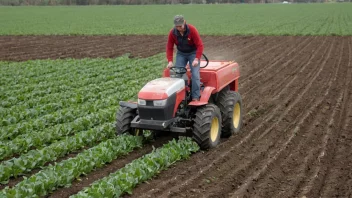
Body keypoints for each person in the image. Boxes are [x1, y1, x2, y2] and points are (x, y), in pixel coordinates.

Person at [166, 15, 204, 101]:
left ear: (184, 22)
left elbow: (200, 45)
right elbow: (169, 47)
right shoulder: (172, 33)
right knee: (177, 74)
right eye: (177, 26)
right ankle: (182, 97)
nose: (179, 28)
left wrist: (196, 59)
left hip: (192, 53)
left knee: (195, 74)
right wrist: (170, 61)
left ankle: (195, 96)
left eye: (180, 26)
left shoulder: (192, 30)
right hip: (181, 54)